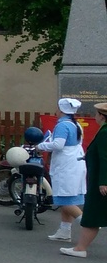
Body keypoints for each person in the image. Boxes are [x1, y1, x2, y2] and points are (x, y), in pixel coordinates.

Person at [62, 102, 107, 258]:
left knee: (92, 215)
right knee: (93, 216)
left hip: (99, 182)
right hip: (98, 178)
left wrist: (103, 181)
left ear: (102, 116)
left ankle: (80, 249)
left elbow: (105, 157)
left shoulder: (105, 132)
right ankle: (80, 248)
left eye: (96, 114)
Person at [41, 98, 88, 243]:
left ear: (61, 110)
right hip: (75, 162)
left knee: (64, 199)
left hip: (66, 164)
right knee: (68, 196)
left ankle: (87, 224)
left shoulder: (62, 126)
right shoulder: (76, 124)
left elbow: (58, 145)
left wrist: (41, 146)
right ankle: (64, 231)